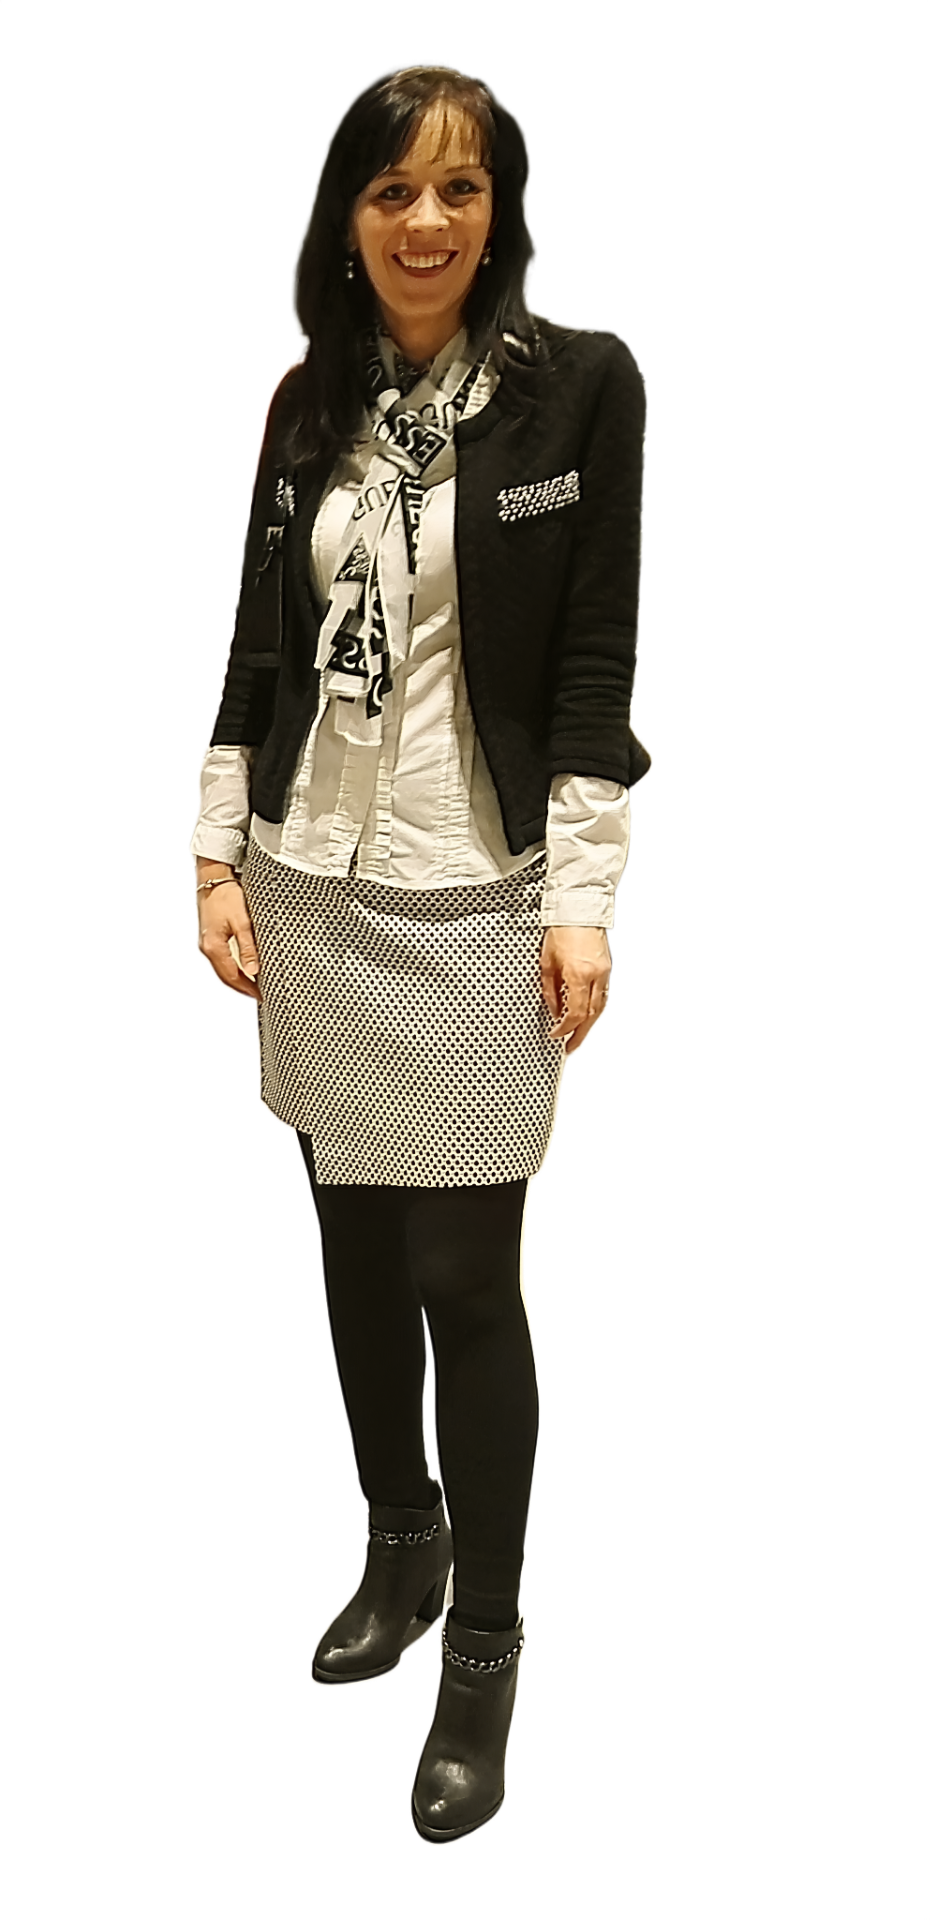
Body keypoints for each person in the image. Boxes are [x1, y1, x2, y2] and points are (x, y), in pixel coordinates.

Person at [189, 65, 650, 1845]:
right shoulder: (307, 394)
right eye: (394, 191)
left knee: (465, 1270)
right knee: (355, 1248)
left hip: (477, 884)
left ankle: (485, 1650)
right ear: (349, 215)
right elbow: (257, 640)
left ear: (499, 211)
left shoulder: (579, 386)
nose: (428, 221)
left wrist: (582, 896)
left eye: (460, 188)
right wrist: (214, 852)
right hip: (313, 872)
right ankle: (396, 1542)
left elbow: (598, 653)